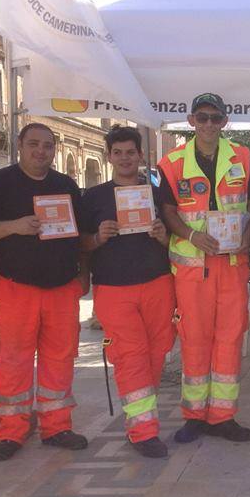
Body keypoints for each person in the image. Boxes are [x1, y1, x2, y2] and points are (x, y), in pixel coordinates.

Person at [0, 123, 89, 461]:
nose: (41, 151)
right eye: (34, 144)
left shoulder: (65, 185)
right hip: (16, 285)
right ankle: (10, 431)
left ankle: (57, 426)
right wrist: (14, 227)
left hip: (62, 287)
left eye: (47, 145)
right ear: (20, 145)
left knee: (61, 359)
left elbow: (80, 235)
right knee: (13, 360)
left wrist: (84, 273)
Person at [158, 93, 250, 444]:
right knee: (194, 341)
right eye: (202, 118)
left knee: (230, 340)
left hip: (232, 264)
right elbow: (168, 209)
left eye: (215, 118)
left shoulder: (243, 157)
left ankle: (222, 416)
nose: (208, 124)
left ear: (225, 121)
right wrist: (190, 235)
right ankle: (194, 415)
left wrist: (248, 234)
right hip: (192, 268)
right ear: (191, 121)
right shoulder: (171, 162)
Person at [80, 125, 175, 458]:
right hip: (113, 288)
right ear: (109, 157)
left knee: (157, 351)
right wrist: (97, 237)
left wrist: (164, 235)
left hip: (158, 283)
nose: (124, 158)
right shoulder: (92, 197)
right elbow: (79, 242)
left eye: (130, 152)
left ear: (140, 155)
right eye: (117, 152)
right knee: (131, 355)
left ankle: (141, 417)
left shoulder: (157, 192)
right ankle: (143, 430)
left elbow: (174, 236)